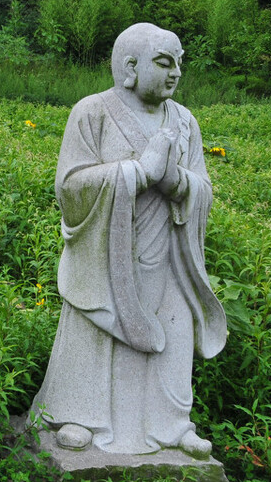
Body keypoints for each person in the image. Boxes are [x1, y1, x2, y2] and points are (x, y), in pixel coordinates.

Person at [29, 23, 226, 457]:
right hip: (104, 256)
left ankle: (171, 424)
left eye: (179, 63)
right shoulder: (92, 112)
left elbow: (204, 188)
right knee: (95, 328)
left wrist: (176, 182)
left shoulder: (185, 121)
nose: (175, 72)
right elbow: (70, 187)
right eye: (163, 62)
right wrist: (137, 172)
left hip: (169, 254)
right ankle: (80, 413)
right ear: (129, 66)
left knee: (172, 330)